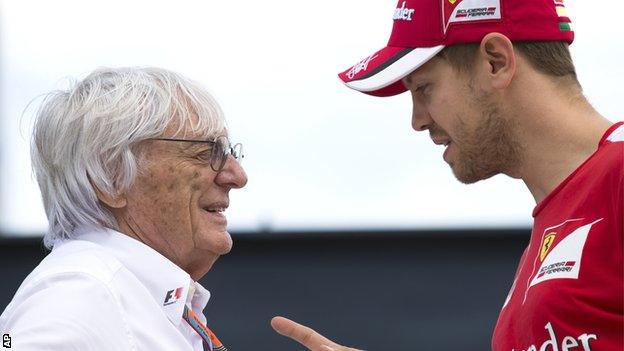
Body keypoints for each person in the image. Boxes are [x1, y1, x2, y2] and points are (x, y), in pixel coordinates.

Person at [271, 0, 623, 350]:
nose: (417, 120)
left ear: (495, 61)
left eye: (424, 88)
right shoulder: (553, 227)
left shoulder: (617, 174)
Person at [0, 67, 247, 350]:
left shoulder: (121, 295)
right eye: (205, 152)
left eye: (229, 153)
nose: (237, 176)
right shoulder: (81, 293)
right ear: (111, 177)